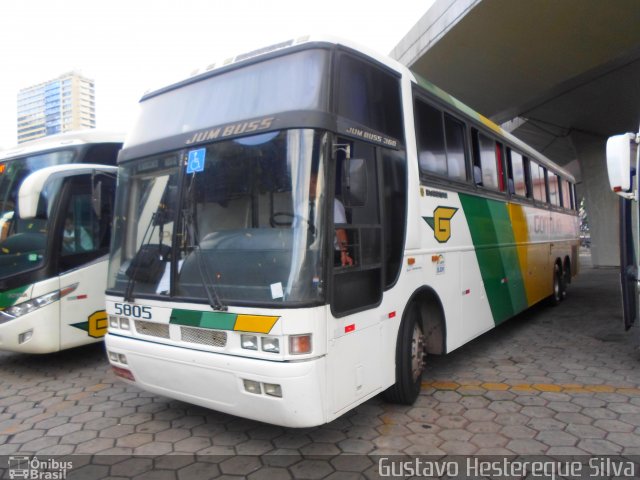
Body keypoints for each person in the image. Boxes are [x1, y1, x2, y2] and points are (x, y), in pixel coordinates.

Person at [309, 173, 353, 267]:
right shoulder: (302, 207)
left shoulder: (333, 205)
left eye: (314, 182)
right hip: (309, 253)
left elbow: (340, 231)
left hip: (331, 254)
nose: (310, 186)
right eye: (308, 183)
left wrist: (344, 253)